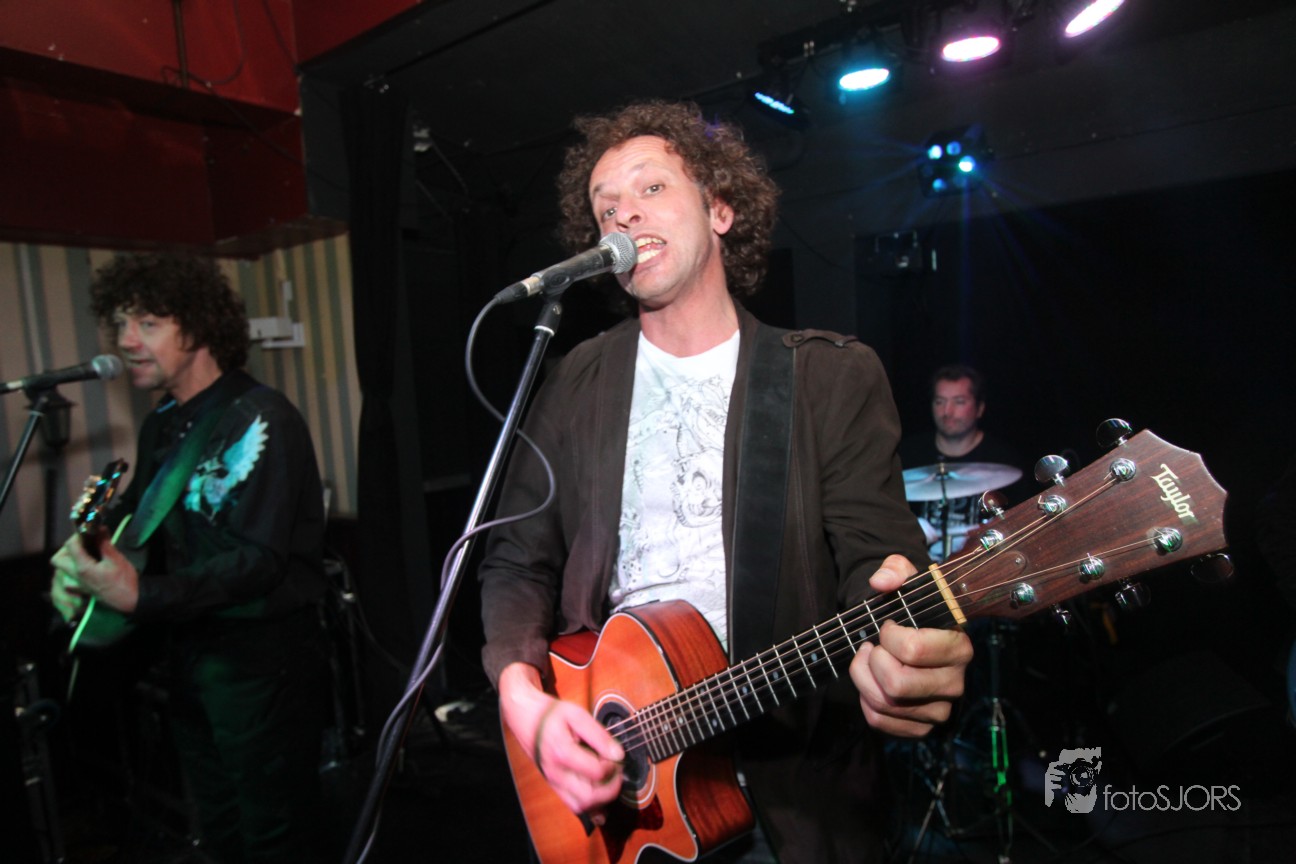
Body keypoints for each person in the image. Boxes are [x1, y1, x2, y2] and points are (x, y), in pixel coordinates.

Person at [478, 101, 973, 863]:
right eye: (606, 207)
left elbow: (876, 562)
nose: (623, 214)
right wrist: (525, 700)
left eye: (651, 188)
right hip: (625, 783)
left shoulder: (827, 375)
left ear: (720, 209)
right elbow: (515, 558)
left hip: (789, 791)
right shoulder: (577, 379)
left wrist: (903, 636)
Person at [49, 252, 329, 863]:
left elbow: (260, 561)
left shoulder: (261, 416)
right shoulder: (162, 425)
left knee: (276, 832)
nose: (126, 340)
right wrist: (87, 561)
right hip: (187, 655)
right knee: (219, 826)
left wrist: (142, 595)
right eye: (121, 323)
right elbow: (145, 527)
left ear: (198, 326)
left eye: (148, 323)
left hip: (261, 666)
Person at [899, 365, 1027, 561]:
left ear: (980, 408)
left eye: (959, 402)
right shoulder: (908, 454)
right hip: (920, 567)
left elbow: (1020, 525)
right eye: (940, 401)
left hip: (983, 566)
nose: (947, 411)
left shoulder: (1003, 458)